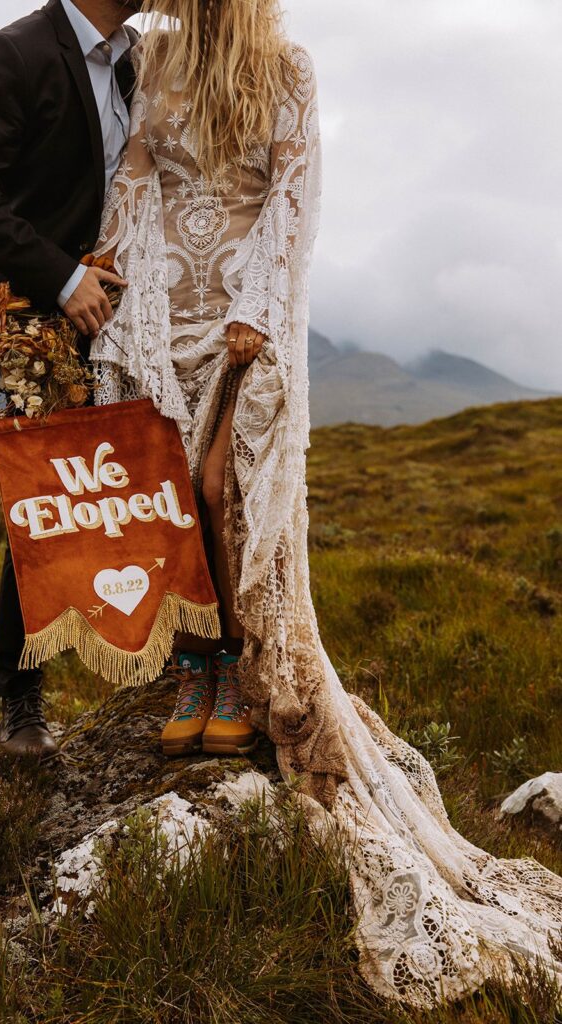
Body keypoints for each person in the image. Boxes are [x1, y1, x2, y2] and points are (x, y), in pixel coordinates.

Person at [90, 0, 562, 1007]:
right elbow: (133, 186)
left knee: (222, 491)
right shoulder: (157, 62)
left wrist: (261, 306)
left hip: (245, 323)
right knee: (167, 499)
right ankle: (201, 670)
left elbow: (295, 202)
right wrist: (105, 278)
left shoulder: (287, 68)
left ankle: (235, 670)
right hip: (161, 310)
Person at [0, 0, 141, 759]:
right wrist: (60, 279)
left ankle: (176, 666)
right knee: (46, 499)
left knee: (145, 481)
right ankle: (21, 697)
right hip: (38, 313)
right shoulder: (16, 52)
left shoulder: (139, 59)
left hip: (129, 313)